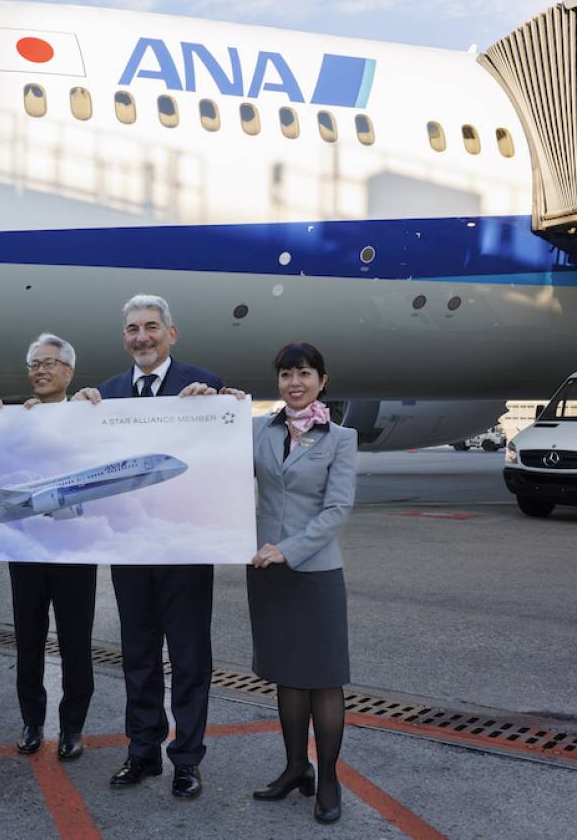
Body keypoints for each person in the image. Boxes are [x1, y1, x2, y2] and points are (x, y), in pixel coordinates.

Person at [73, 294, 231, 800]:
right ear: (124, 338)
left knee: (189, 660)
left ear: (171, 333)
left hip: (185, 547)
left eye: (151, 327)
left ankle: (186, 759)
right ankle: (142, 752)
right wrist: (71, 413)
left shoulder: (202, 385)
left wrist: (220, 405)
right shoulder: (107, 394)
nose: (142, 337)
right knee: (138, 657)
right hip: (131, 547)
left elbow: (223, 455)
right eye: (133, 329)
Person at [248, 342, 356, 825]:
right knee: (287, 674)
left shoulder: (340, 437)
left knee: (323, 680)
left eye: (305, 373)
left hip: (314, 573)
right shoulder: (259, 430)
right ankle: (295, 768)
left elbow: (336, 510)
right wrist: (214, 402)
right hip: (268, 572)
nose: (295, 382)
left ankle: (327, 777)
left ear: (322, 380)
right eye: (287, 374)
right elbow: (207, 445)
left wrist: (288, 549)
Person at [0, 333, 96, 760]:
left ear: (69, 372)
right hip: (28, 550)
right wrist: (0, 421)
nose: (40, 370)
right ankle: (32, 722)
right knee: (28, 640)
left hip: (74, 550)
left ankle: (73, 727)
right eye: (34, 363)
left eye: (49, 363)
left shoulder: (88, 415)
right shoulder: (16, 418)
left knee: (76, 642)